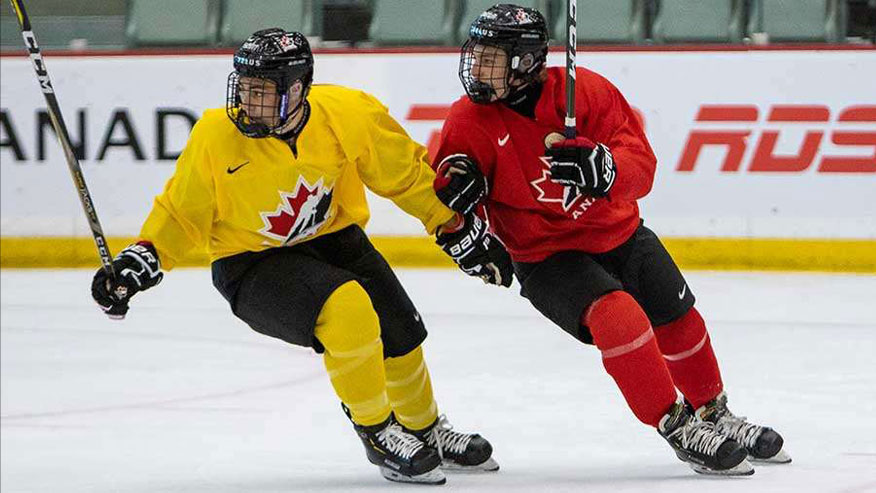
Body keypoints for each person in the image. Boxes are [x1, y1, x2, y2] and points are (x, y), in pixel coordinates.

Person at [90, 28, 510, 486]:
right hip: (250, 263)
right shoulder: (216, 135)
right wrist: (144, 257)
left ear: (296, 89)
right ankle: (378, 432)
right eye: (243, 89)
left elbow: (405, 176)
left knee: (399, 327)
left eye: (261, 92)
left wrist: (452, 226)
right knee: (348, 308)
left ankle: (425, 431)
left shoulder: (347, 114)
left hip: (334, 239)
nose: (248, 103)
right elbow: (181, 211)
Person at [431, 4, 791, 476]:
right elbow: (443, 192)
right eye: (476, 54)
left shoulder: (587, 94)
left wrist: (605, 169)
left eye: (491, 58)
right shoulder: (467, 120)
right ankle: (678, 425)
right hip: (546, 255)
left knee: (678, 317)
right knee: (618, 317)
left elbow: (642, 166)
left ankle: (714, 411)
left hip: (620, 232)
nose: (477, 67)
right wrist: (462, 223)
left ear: (527, 61)